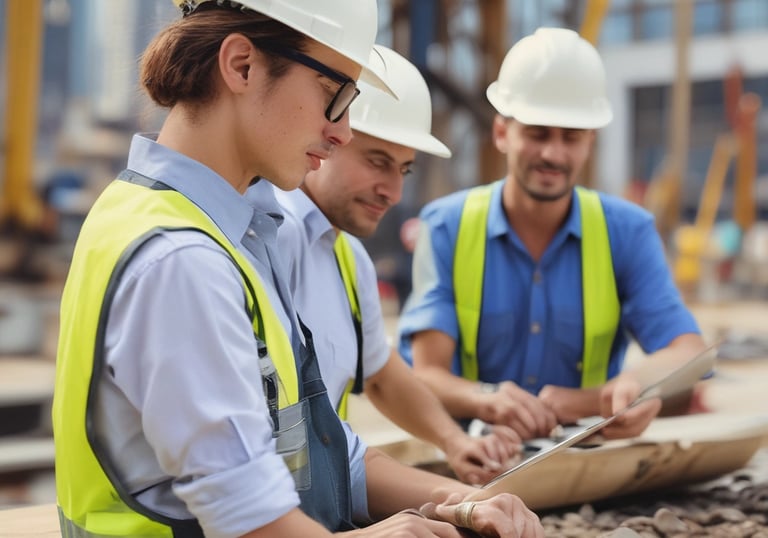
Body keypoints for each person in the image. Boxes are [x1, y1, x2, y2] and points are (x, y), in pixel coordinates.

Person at [51, 1, 544, 537]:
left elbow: (317, 454)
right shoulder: (183, 261)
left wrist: (461, 499)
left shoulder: (226, 233)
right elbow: (249, 519)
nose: (344, 133)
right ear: (241, 65)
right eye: (336, 96)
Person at [397, 27, 707, 442]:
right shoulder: (447, 226)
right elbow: (426, 374)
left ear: (590, 142)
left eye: (570, 137)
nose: (553, 154)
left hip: (586, 457)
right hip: (474, 454)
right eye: (538, 133)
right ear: (502, 133)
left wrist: (620, 391)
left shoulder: (628, 232)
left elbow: (689, 352)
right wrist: (487, 399)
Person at [268, 45, 521, 486]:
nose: (392, 192)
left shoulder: (349, 258)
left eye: (403, 170)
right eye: (377, 161)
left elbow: (382, 374)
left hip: (308, 503)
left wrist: (454, 442)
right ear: (331, 135)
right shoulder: (265, 235)